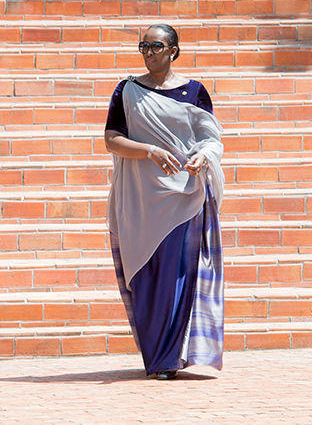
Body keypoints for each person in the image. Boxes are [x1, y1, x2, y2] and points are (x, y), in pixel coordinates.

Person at [104, 24, 225, 380]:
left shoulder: (194, 92)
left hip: (183, 198)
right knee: (146, 276)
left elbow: (211, 138)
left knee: (177, 275)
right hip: (140, 200)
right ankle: (157, 354)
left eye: (156, 46)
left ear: (174, 50)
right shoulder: (128, 91)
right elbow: (112, 139)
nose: (148, 52)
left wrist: (204, 156)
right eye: (144, 46)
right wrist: (150, 151)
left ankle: (168, 359)